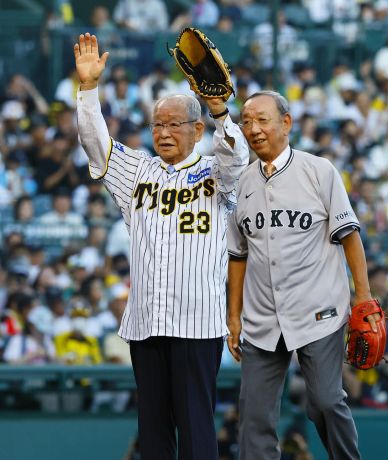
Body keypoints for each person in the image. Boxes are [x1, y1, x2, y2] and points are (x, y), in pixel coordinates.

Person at [74, 33, 248, 460]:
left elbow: (238, 158)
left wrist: (221, 110)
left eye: (174, 124)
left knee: (195, 428)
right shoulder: (138, 170)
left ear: (196, 129)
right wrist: (89, 89)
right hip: (146, 322)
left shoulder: (215, 172)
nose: (164, 132)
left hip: (196, 323)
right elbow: (96, 144)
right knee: (152, 432)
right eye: (158, 124)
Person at [227, 91, 380, 460]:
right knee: (253, 418)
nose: (253, 129)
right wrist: (234, 316)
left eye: (262, 120)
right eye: (247, 121)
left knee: (326, 402)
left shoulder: (319, 170)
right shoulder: (240, 183)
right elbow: (237, 255)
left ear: (287, 123)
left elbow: (350, 237)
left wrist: (363, 296)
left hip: (319, 308)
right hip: (263, 316)